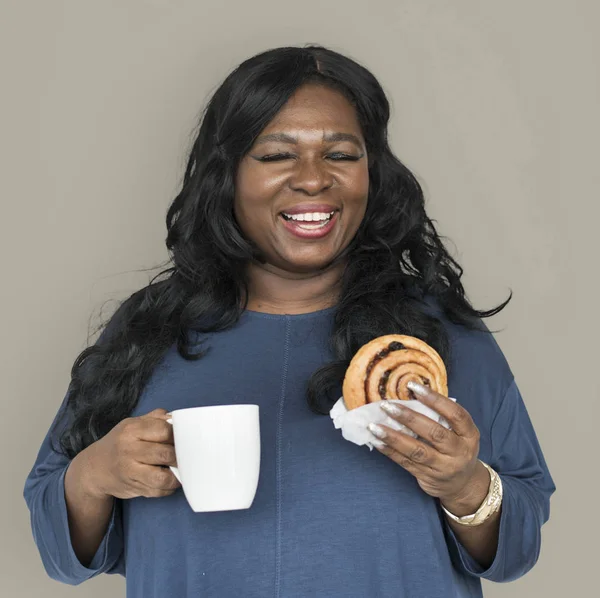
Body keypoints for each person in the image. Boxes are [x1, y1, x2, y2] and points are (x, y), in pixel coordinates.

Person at [24, 45, 555, 598]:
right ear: (227, 173)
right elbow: (61, 554)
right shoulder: (148, 330)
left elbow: (516, 551)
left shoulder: (437, 338)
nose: (312, 180)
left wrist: (464, 485)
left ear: (372, 172)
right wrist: (96, 474)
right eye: (277, 155)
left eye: (341, 155)